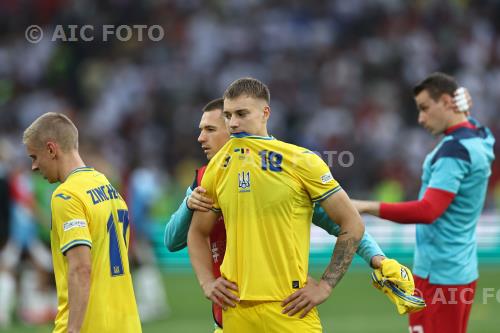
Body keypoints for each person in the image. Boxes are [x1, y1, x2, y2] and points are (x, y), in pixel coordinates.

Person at [165, 98, 388, 332]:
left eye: (210, 130)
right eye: (201, 130)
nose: (201, 138)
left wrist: (376, 258)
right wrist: (188, 205)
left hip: (282, 307)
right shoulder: (205, 179)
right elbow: (173, 239)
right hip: (229, 310)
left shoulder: (281, 173)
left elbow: (343, 223)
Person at [352, 73, 495, 333]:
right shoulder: (480, 137)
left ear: (446, 102)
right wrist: (464, 111)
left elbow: (428, 210)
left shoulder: (454, 151)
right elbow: (472, 127)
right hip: (459, 268)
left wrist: (365, 206)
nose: (421, 118)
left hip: (440, 275)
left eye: (425, 109)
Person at [22, 112, 141, 333]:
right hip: (127, 324)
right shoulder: (105, 184)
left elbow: (81, 268)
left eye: (34, 157)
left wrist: (73, 329)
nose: (34, 167)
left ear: (51, 149)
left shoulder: (66, 196)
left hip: (89, 325)